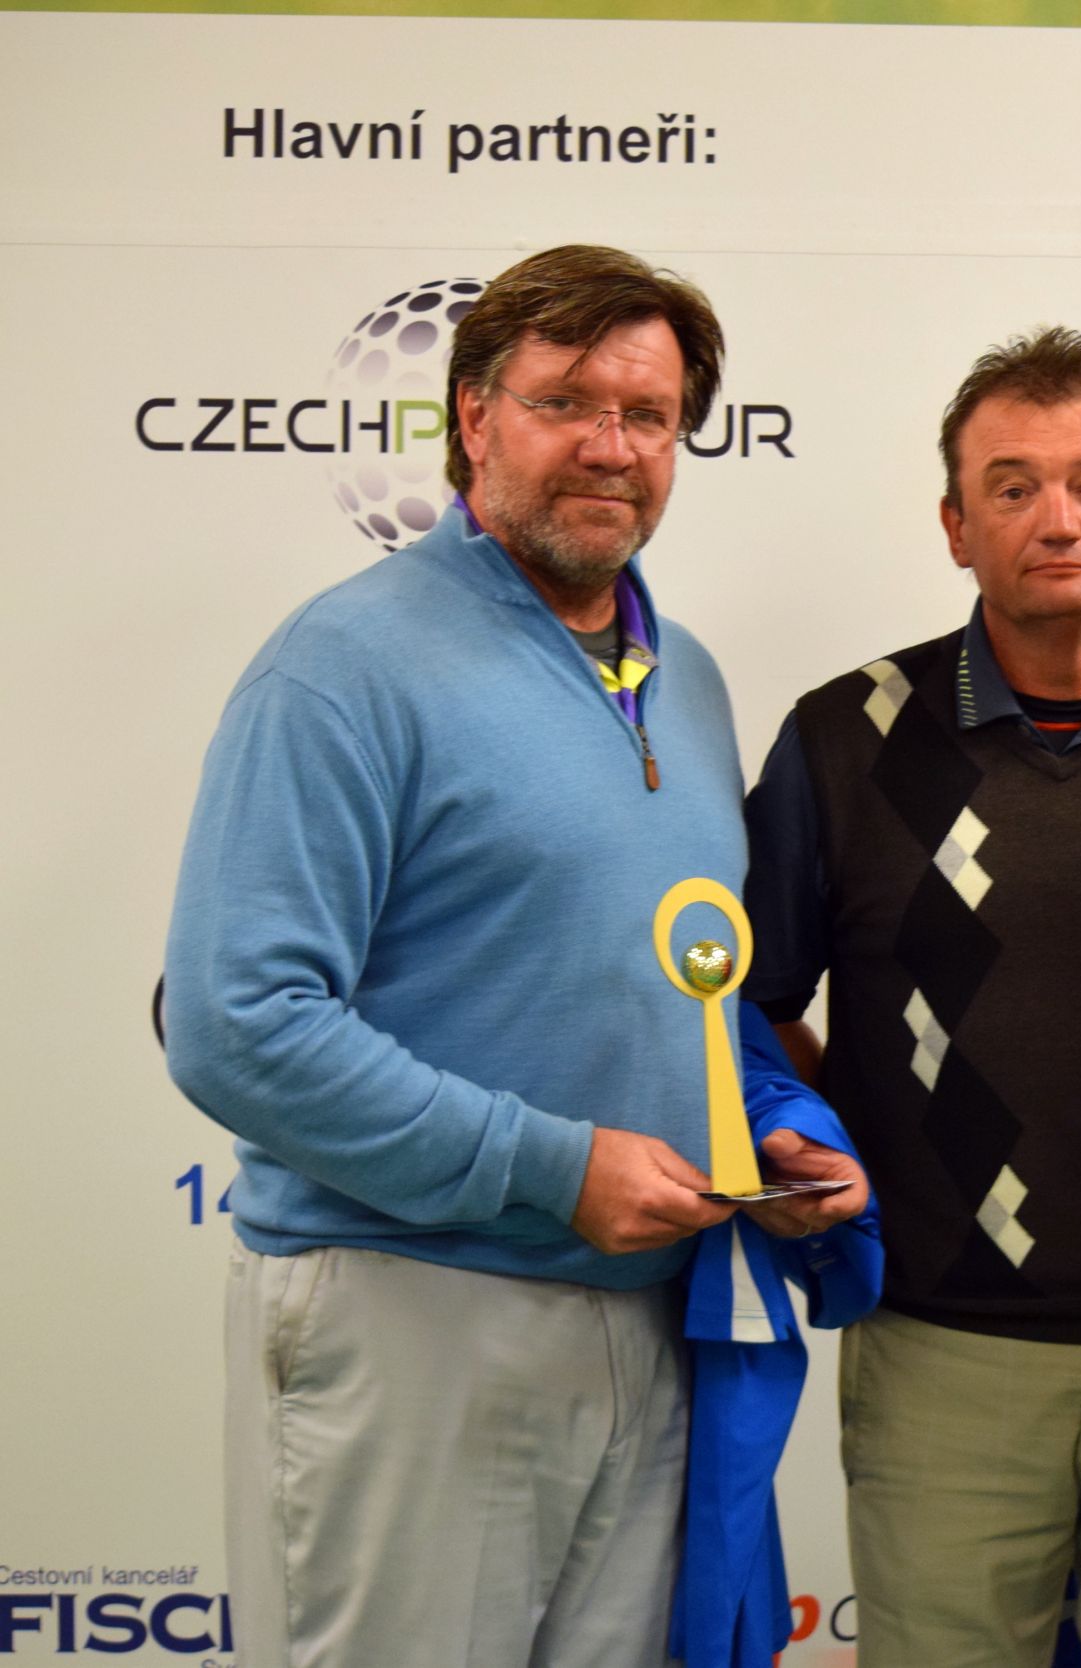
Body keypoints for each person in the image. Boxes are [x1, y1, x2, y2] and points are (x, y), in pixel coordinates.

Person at [162, 244, 872, 1668]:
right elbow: (238, 1023)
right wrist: (553, 1168)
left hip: (649, 1318)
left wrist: (763, 1139)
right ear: (474, 417)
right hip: (413, 1308)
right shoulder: (344, 664)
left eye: (648, 414)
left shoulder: (687, 678)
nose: (612, 446)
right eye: (565, 403)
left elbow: (675, 993)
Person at [739, 326, 1081, 1667]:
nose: (1058, 519)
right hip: (943, 1359)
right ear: (954, 526)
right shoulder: (843, 737)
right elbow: (743, 1001)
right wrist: (788, 1124)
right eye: (1013, 485)